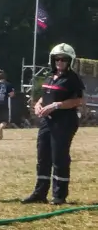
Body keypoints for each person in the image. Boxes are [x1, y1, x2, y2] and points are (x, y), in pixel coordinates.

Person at [22, 44, 84, 206]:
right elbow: (45, 96)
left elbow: (78, 100)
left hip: (64, 122)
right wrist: (38, 105)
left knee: (59, 157)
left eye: (64, 59)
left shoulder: (72, 78)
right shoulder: (50, 76)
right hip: (46, 122)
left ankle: (59, 194)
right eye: (57, 59)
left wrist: (56, 105)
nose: (60, 62)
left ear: (70, 61)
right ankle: (40, 192)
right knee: (43, 156)